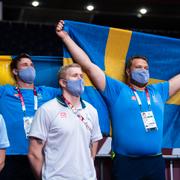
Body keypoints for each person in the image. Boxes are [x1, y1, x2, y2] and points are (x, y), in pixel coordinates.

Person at [56, 20, 180, 180]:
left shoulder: (159, 91)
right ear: (128, 71)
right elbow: (88, 66)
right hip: (126, 163)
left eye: (146, 68)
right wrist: (66, 37)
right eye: (138, 67)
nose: (143, 70)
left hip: (155, 162)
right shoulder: (117, 90)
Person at [28, 63, 102, 180]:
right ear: (63, 83)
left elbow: (94, 141)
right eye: (75, 76)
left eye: (81, 76)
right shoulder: (47, 110)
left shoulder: (91, 110)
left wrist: (87, 167)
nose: (80, 79)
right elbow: (34, 153)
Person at [0, 53, 60, 179]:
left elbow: (73, 94)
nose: (30, 68)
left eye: (32, 65)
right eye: (25, 65)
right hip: (11, 156)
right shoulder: (5, 91)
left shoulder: (48, 92)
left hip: (42, 155)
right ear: (15, 71)